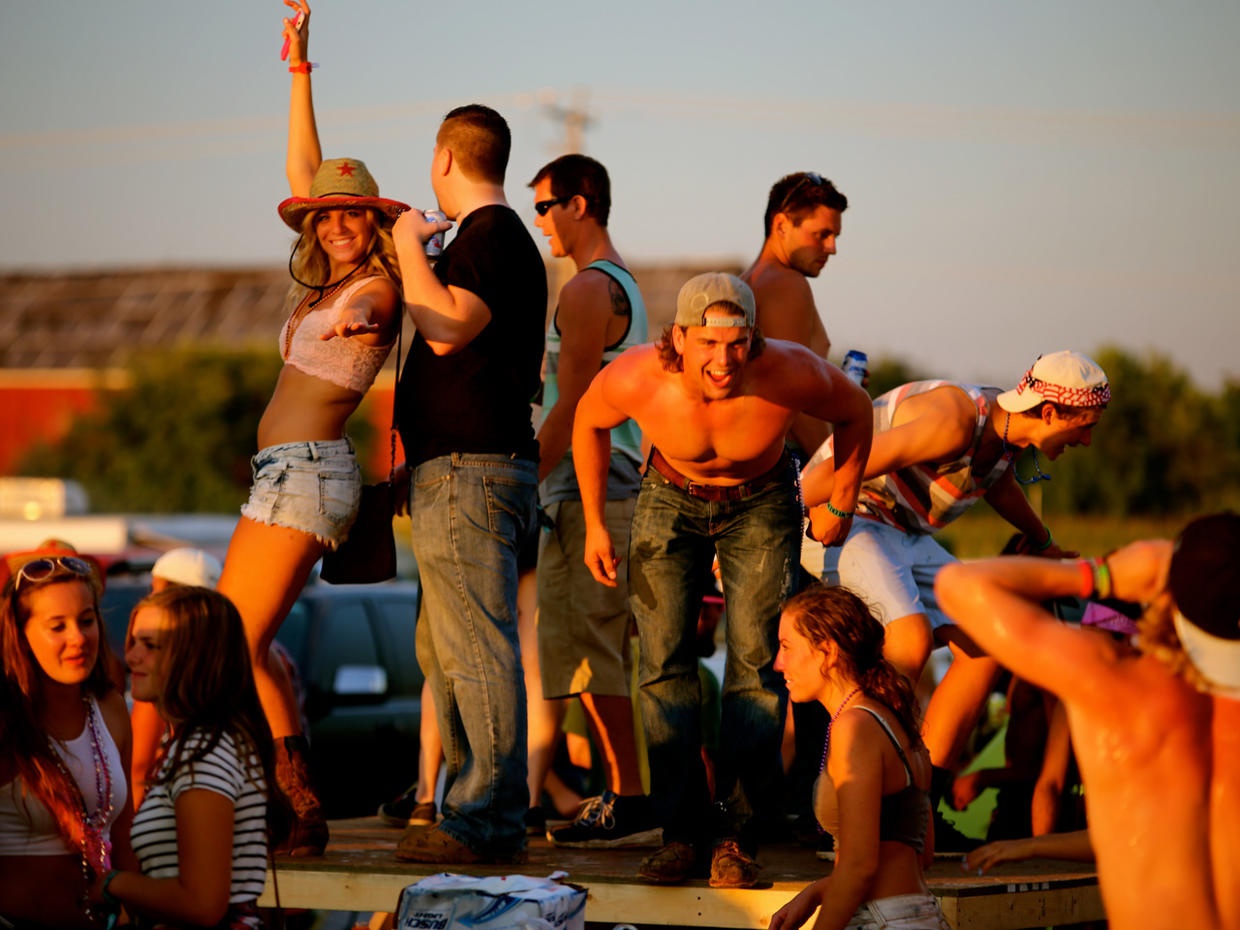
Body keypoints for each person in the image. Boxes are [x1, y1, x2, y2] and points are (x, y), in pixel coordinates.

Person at [572, 272, 873, 887]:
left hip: (761, 501)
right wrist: (596, 524)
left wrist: (841, 500)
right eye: (708, 342)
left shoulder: (787, 370)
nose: (723, 358)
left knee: (758, 666)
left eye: (737, 342)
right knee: (661, 663)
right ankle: (681, 833)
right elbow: (586, 421)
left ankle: (736, 836)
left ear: (754, 338)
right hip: (667, 496)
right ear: (678, 338)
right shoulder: (636, 375)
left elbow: (857, 410)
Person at [214, 0, 407, 856]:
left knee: (224, 642)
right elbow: (305, 170)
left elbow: (376, 305)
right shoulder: (323, 284)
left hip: (307, 474)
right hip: (284, 473)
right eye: (324, 215)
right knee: (255, 648)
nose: (334, 222)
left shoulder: (377, 288)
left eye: (351, 214)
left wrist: (357, 312)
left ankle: (292, 806)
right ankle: (292, 800)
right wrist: (298, 68)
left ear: (375, 224)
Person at [801, 350, 1109, 829]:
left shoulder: (1003, 436)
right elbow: (833, 466)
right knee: (911, 638)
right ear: (1048, 413)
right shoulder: (953, 421)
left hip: (899, 532)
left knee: (985, 645)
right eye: (1084, 426)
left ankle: (917, 808)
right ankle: (847, 804)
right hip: (846, 515)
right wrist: (785, 520)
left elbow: (998, 484)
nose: (1088, 440)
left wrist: (1045, 543)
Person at [935, 511, 1240, 930]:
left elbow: (959, 586)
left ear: (1170, 590)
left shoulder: (1120, 686)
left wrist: (1103, 575)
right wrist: (1029, 847)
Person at [388, 102, 546, 864]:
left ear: (444, 160)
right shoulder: (491, 240)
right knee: (449, 652)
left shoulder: (492, 236)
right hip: (462, 471)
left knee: (476, 648)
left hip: (471, 473)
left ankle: (485, 820)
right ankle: (466, 809)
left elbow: (445, 326)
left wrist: (403, 246)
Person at [527, 153, 657, 849]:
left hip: (592, 486)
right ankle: (625, 792)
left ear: (580, 204)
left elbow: (573, 406)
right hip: (602, 484)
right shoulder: (622, 286)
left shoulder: (585, 292)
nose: (540, 220)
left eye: (545, 206)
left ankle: (630, 797)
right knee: (590, 650)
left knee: (594, 649)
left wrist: (522, 482)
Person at [90, 586, 274, 930]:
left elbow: (202, 904)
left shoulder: (204, 750)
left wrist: (112, 883)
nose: (131, 657)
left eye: (151, 646)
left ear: (197, 655)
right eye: (133, 642)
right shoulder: (196, 742)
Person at [770, 585, 948, 930]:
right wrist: (816, 891)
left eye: (787, 646)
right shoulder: (891, 717)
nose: (778, 663)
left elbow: (859, 867)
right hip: (913, 913)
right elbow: (919, 855)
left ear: (827, 651)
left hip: (883, 920)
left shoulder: (855, 726)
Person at [1, 555, 136, 930]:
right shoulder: (7, 723)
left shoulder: (110, 708)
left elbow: (124, 835)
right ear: (21, 635)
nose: (78, 637)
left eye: (87, 620)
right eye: (57, 626)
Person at [742, 171, 849, 455]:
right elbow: (793, 396)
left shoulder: (748, 282)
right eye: (821, 234)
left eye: (835, 236)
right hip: (787, 458)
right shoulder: (787, 284)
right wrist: (836, 472)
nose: (832, 248)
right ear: (781, 224)